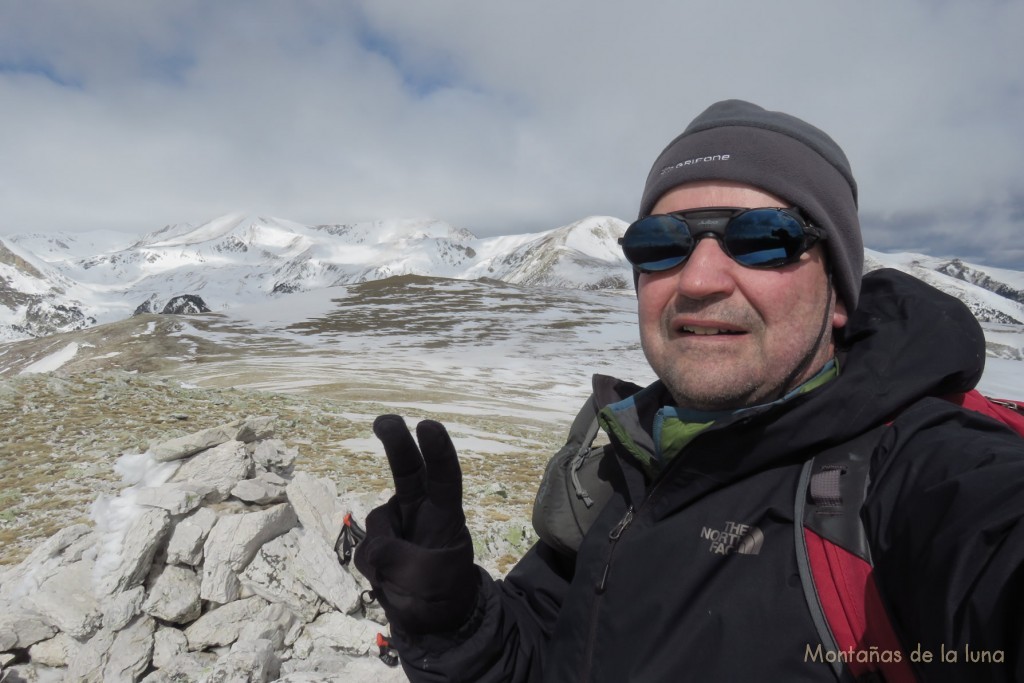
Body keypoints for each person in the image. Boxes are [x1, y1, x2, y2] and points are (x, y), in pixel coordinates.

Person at [354, 100, 1024, 682]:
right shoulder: (624, 463)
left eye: (763, 239)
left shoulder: (912, 475)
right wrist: (452, 617)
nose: (700, 278)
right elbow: (550, 658)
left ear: (840, 298)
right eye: (660, 243)